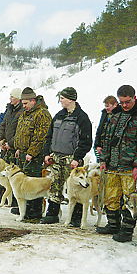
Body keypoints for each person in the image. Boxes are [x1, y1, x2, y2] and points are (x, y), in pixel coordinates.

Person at [96, 85, 137, 243]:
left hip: (130, 167)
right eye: (122, 102)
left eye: (128, 101)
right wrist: (103, 159)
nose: (125, 105)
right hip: (112, 165)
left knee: (131, 199)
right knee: (111, 196)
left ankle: (127, 230)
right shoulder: (115, 115)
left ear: (134, 98)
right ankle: (113, 225)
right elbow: (107, 139)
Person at [43, 87, 92, 225]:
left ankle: (76, 217)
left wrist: (77, 158)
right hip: (56, 157)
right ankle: (52, 213)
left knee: (75, 187)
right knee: (54, 185)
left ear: (71, 99)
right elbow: (49, 136)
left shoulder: (82, 118)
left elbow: (86, 141)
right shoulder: (58, 115)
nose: (60, 101)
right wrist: (47, 153)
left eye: (62, 98)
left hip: (72, 159)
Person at [11, 87, 52, 220]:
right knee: (24, 185)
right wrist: (18, 148)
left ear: (33, 101)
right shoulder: (25, 113)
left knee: (35, 185)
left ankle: (35, 211)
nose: (23, 106)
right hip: (23, 154)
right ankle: (25, 209)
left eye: (25, 103)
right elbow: (20, 132)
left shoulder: (42, 114)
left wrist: (32, 152)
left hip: (34, 156)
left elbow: (41, 136)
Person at [94, 95, 118, 162]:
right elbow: (99, 130)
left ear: (115, 105)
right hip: (102, 147)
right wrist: (97, 145)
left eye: (108, 106)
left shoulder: (120, 116)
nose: (106, 108)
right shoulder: (104, 114)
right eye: (105, 106)